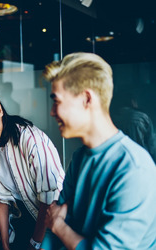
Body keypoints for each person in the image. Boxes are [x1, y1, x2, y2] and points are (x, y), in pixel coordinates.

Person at [41, 52, 156, 250]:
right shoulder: (79, 158)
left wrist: (59, 226)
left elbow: (56, 222)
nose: (51, 112)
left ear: (87, 98)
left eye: (57, 101)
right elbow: (53, 222)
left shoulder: (135, 169)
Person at [0, 85, 65, 250]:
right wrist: (4, 243)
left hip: (53, 224)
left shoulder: (31, 140)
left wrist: (35, 243)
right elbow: (0, 199)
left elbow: (50, 200)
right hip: (23, 220)